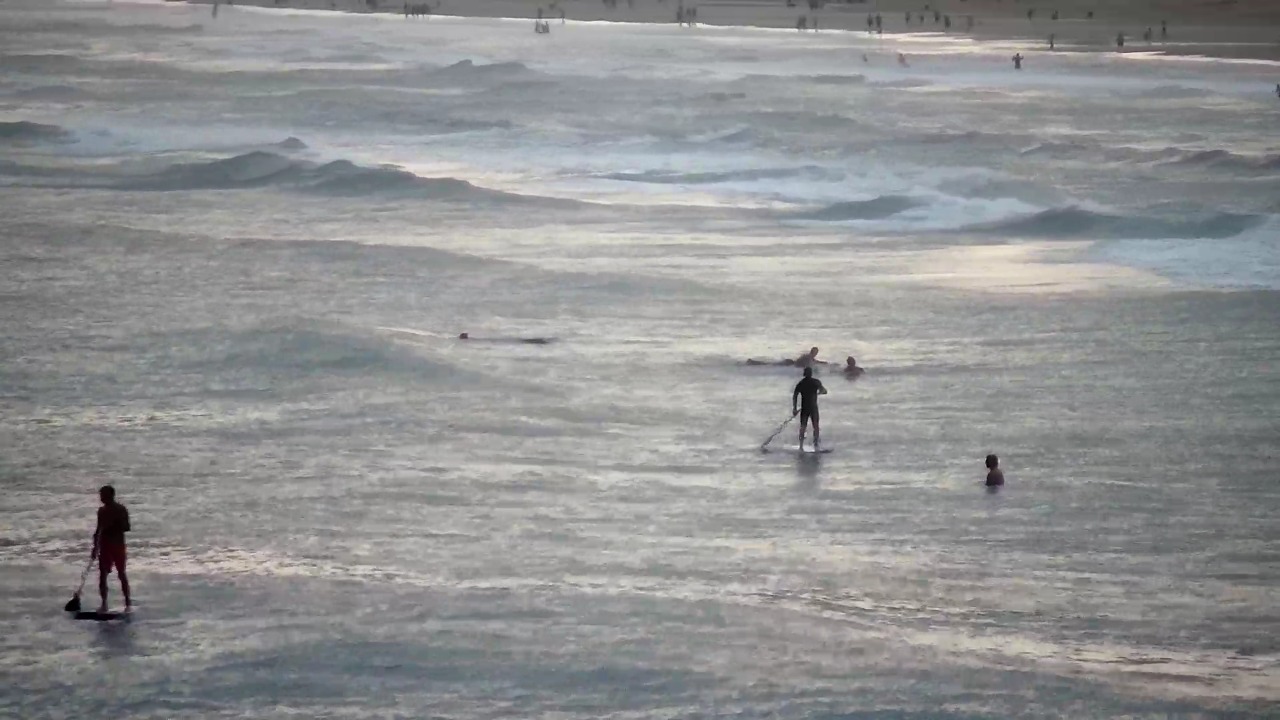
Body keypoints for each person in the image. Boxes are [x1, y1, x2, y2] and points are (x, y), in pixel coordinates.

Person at [91, 485, 131, 613]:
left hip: (118, 545)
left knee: (121, 573)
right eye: (101, 495)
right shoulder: (101, 511)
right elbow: (98, 530)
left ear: (111, 495)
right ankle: (104, 604)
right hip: (104, 546)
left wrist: (112, 525)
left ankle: (128, 603)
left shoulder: (121, 509)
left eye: (103, 495)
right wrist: (95, 547)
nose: (101, 497)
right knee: (102, 575)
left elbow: (126, 527)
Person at [792, 367, 827, 450]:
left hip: (805, 407)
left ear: (804, 374)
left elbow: (795, 396)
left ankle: (801, 445)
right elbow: (824, 391)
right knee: (815, 426)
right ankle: (816, 444)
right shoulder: (816, 382)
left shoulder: (801, 383)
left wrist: (795, 408)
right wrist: (819, 393)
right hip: (813, 407)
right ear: (811, 373)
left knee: (803, 426)